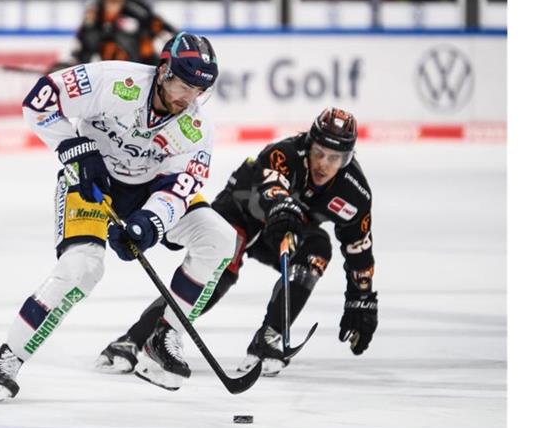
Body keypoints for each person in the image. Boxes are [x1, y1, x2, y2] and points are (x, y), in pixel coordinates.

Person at [0, 32, 236, 402]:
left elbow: (181, 187)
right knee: (83, 268)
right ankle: (6, 360)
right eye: (184, 85)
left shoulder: (196, 128)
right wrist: (75, 147)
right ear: (163, 70)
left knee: (219, 238)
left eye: (198, 91)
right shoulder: (114, 80)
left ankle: (164, 337)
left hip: (148, 191)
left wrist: (150, 222)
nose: (189, 98)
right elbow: (40, 100)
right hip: (91, 182)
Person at [95, 108, 378, 377]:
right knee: (218, 275)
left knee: (317, 250)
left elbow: (359, 247)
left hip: (285, 228)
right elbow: (271, 188)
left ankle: (270, 338)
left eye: (334, 158)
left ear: (348, 159)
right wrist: (281, 206)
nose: (323, 164)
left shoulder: (355, 192)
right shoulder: (284, 153)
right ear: (309, 144)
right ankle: (136, 338)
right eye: (319, 153)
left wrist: (360, 298)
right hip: (241, 211)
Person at [69, 0, 176, 66]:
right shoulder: (92, 13)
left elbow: (171, 38)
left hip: (137, 78)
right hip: (99, 77)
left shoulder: (140, 12)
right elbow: (79, 49)